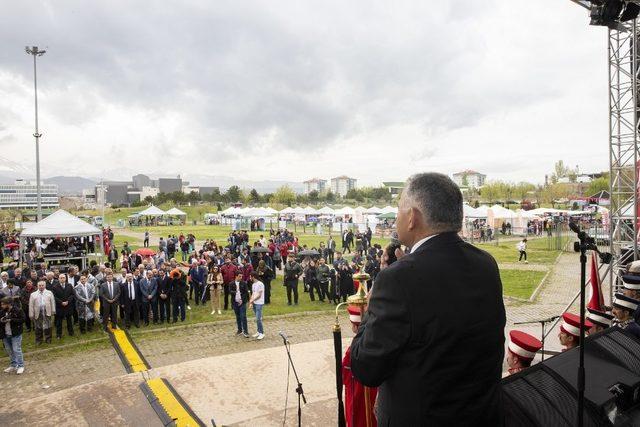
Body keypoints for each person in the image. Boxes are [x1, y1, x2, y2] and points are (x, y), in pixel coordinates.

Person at [350, 173, 506, 425]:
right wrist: (402, 273)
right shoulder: (485, 263)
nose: (396, 218)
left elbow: (366, 368)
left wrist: (373, 300)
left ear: (412, 217)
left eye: (399, 209)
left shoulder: (396, 281)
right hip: (482, 416)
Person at [343, 305, 378, 427]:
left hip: (357, 396)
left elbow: (344, 376)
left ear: (354, 326)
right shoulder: (378, 343)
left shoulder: (352, 350)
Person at [0, 296, 25, 374]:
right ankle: (13, 365)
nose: (2, 305)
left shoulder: (17, 310)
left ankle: (21, 365)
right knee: (9, 350)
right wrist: (1, 320)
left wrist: (11, 320)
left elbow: (23, 319)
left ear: (9, 304)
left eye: (3, 304)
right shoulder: (2, 311)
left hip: (15, 334)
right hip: (5, 334)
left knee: (16, 349)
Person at [29, 280, 55, 344]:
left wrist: (53, 311)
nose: (41, 287)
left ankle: (48, 339)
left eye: (42, 285)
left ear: (45, 286)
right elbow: (31, 305)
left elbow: (52, 302)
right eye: (39, 285)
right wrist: (31, 314)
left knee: (48, 326)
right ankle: (39, 340)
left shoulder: (49, 293)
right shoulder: (33, 294)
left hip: (47, 311)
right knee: (38, 327)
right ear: (37, 286)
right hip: (38, 312)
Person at [52, 274, 75, 339]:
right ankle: (58, 334)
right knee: (59, 322)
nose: (62, 279)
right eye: (61, 278)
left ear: (65, 278)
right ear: (58, 279)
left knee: (69, 320)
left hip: (68, 306)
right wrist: (61, 302)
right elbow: (54, 297)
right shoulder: (55, 287)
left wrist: (68, 301)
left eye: (63, 278)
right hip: (60, 307)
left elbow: (72, 295)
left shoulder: (69, 285)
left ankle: (71, 332)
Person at [229, 272, 249, 337]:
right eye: (239, 276)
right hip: (235, 302)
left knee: (243, 316)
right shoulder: (231, 283)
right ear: (236, 276)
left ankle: (245, 331)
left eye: (241, 276)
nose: (241, 278)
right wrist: (236, 292)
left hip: (242, 302)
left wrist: (242, 300)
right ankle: (239, 329)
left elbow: (246, 293)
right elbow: (230, 291)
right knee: (238, 316)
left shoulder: (244, 283)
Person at [249, 272, 265, 340]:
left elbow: (259, 295)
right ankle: (258, 331)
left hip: (259, 303)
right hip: (255, 303)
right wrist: (251, 301)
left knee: (258, 318)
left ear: (253, 277)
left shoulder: (260, 284)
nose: (250, 278)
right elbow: (253, 293)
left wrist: (253, 300)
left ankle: (262, 333)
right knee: (257, 318)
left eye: (250, 276)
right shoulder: (253, 284)